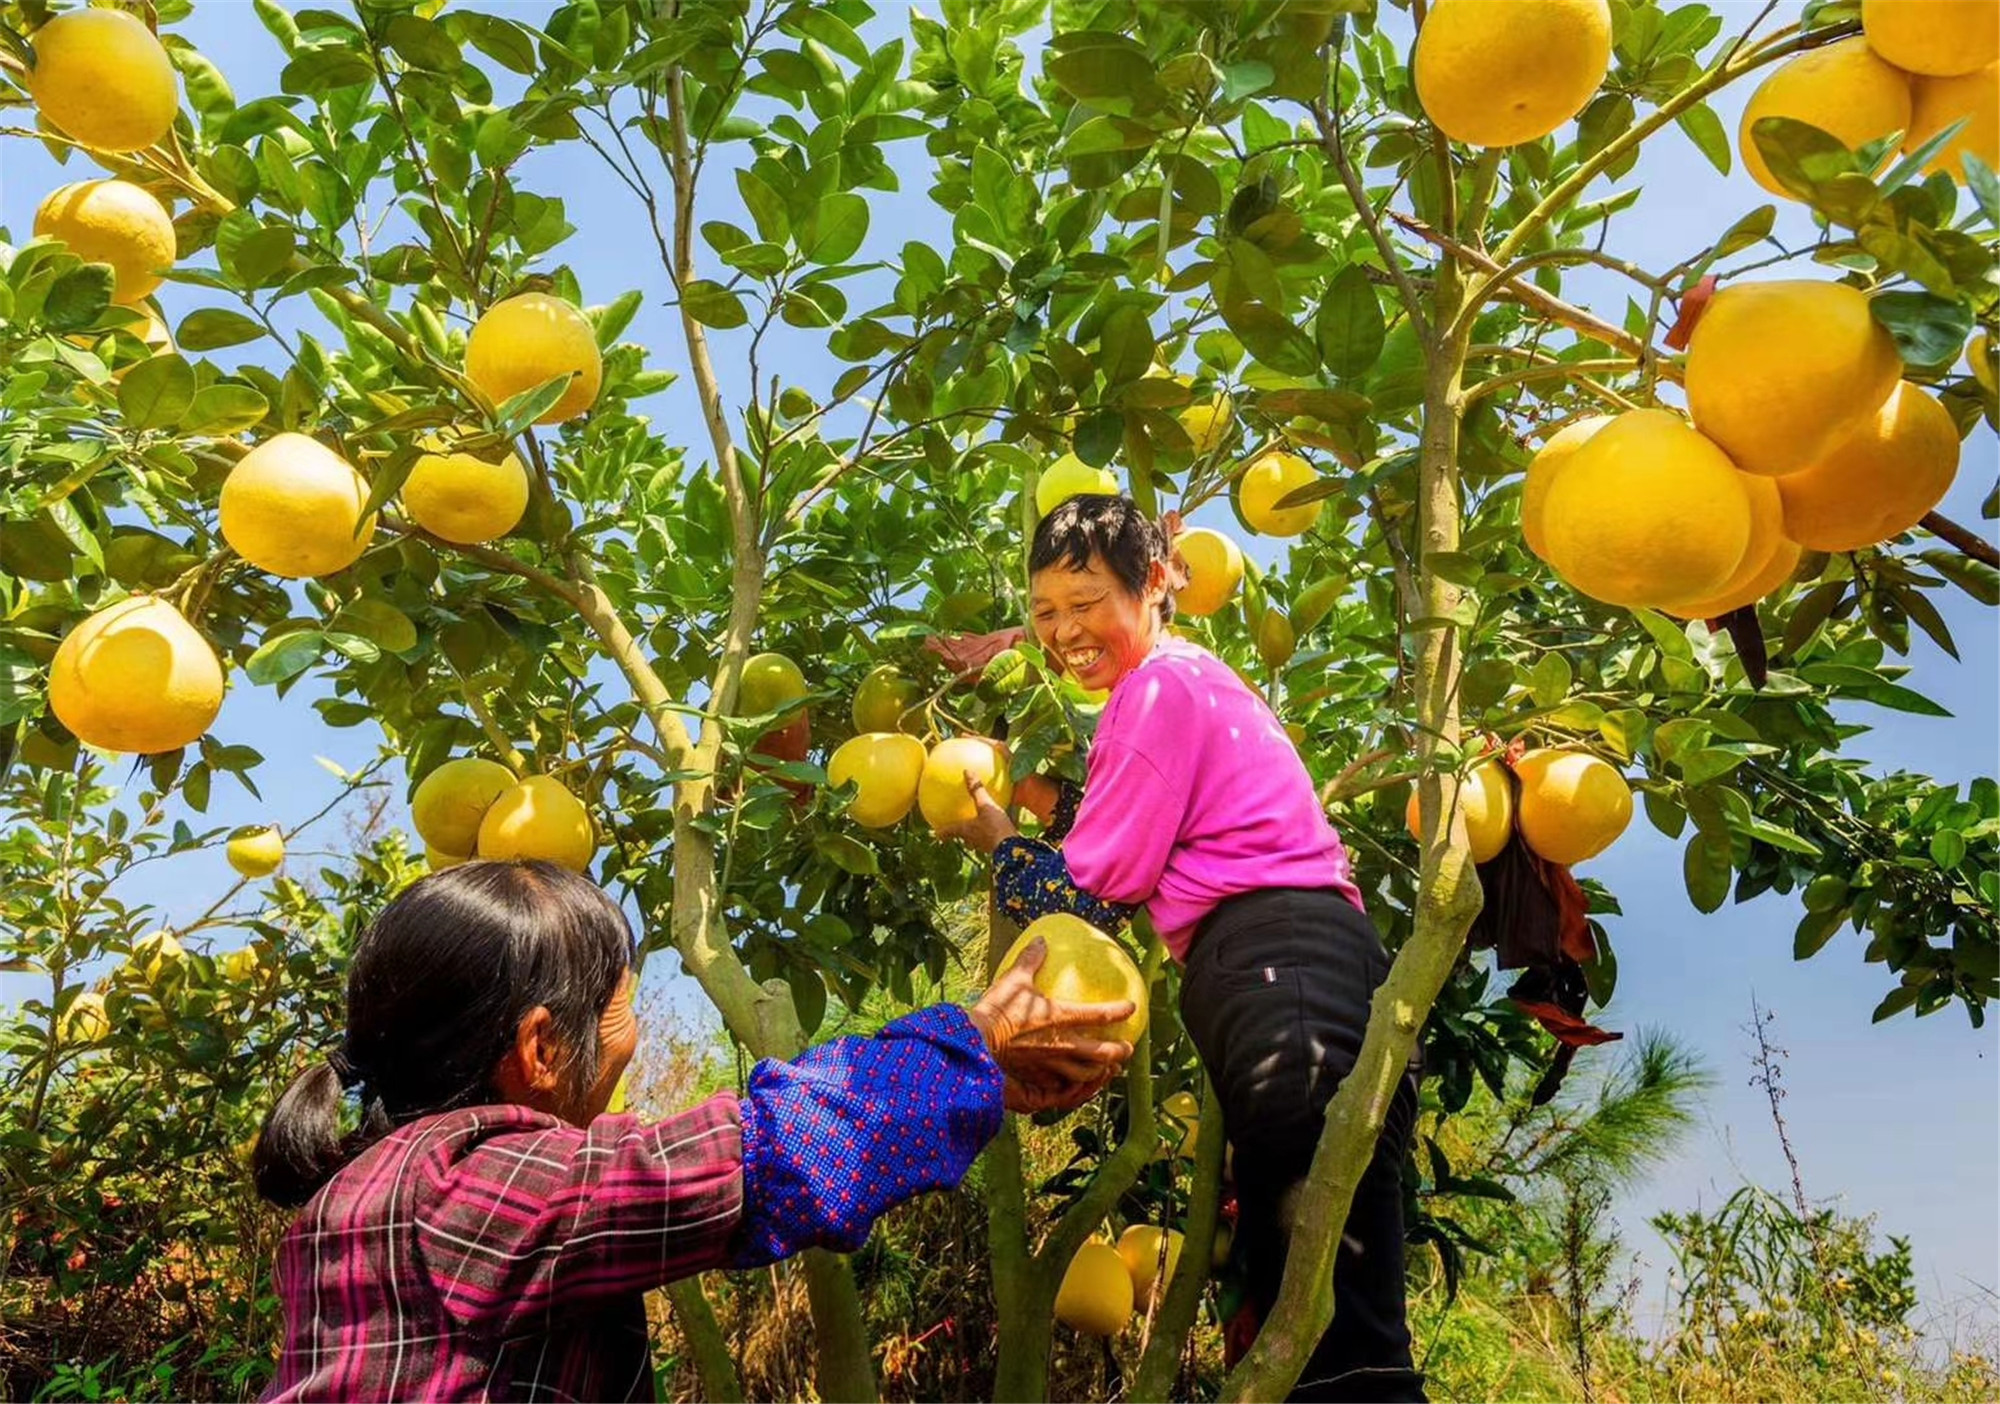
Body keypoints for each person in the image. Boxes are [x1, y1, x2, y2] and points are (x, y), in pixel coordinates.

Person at [251, 859, 1133, 1403]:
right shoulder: (467, 1190)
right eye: (623, 1005)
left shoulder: (377, 1189)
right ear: (543, 1046)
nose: (633, 1033)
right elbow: (771, 1153)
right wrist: (975, 1041)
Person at [937, 493, 1425, 1403]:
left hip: (1287, 982)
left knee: (1326, 1346)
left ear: (1156, 582)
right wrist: (1017, 656)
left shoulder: (1156, 688)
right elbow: (1123, 824)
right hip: (1327, 979)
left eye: (1085, 606)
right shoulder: (1190, 685)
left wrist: (994, 832)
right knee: (1349, 1334)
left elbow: (1084, 895)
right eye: (1044, 612)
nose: (1062, 632)